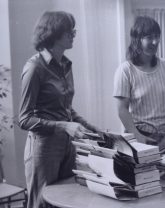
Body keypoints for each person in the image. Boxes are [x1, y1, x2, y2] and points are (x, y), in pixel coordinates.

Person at [19, 11, 105, 208]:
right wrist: (63, 126)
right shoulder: (34, 68)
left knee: (66, 201)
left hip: (67, 146)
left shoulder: (65, 65)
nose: (73, 34)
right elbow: (24, 119)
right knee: (42, 204)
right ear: (54, 33)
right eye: (69, 30)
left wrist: (93, 129)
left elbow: (67, 110)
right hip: (43, 149)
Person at [113, 16, 165, 144]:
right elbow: (122, 109)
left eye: (157, 36)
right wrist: (136, 135)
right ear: (137, 40)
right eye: (149, 37)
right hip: (139, 135)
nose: (155, 42)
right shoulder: (125, 70)